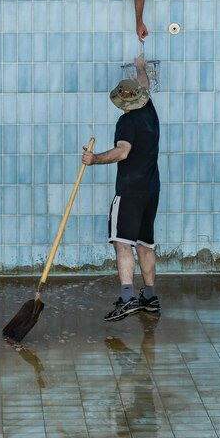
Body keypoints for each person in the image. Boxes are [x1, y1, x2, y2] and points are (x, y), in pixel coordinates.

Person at [82, 55, 161, 321]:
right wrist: (140, 67)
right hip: (151, 190)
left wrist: (94, 160)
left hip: (129, 191)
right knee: (144, 245)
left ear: (121, 102)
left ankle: (127, 299)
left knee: (122, 243)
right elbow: (144, 85)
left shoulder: (126, 122)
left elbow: (122, 152)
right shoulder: (150, 110)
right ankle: (149, 297)